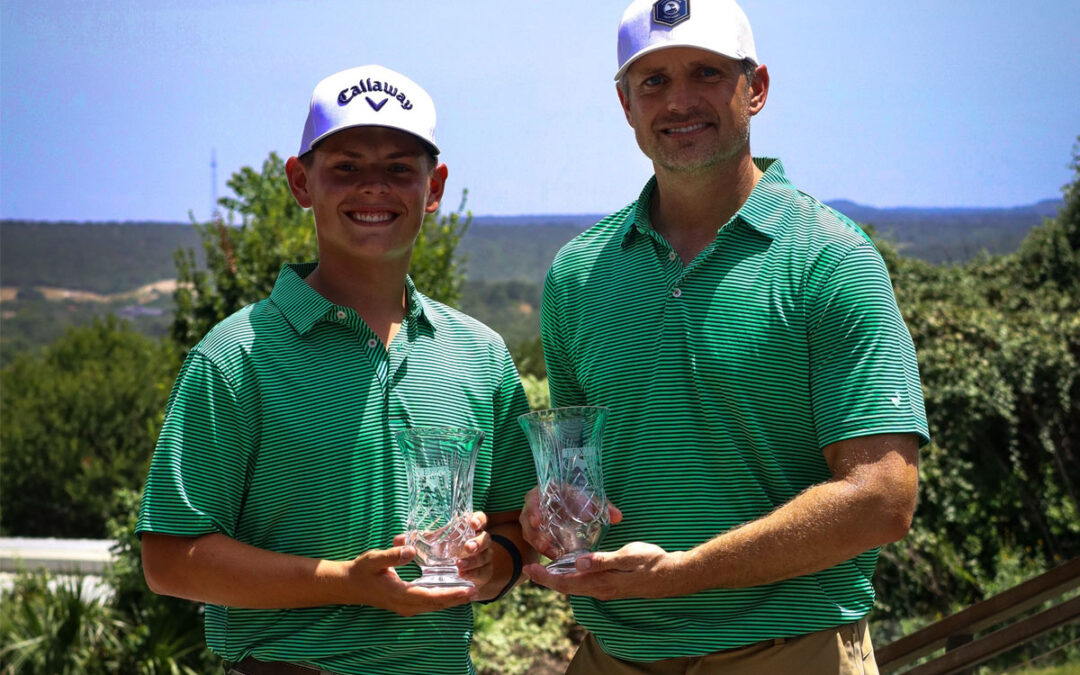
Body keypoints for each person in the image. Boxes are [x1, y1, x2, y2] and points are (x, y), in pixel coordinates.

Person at [520, 1, 929, 673]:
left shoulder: (829, 259)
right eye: (652, 81)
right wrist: (548, 511)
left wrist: (683, 572)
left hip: (791, 651)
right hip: (614, 654)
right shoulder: (577, 274)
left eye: (706, 73)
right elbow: (574, 475)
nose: (679, 100)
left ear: (756, 88)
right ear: (625, 103)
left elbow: (882, 497)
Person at [138, 65, 536, 675]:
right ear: (301, 182)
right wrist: (346, 581)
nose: (373, 187)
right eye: (346, 167)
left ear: (435, 187)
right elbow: (169, 559)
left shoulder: (478, 353)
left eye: (400, 168)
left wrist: (491, 563)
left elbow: (512, 526)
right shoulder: (237, 354)